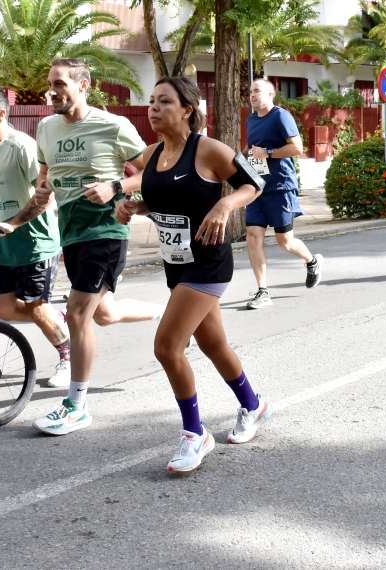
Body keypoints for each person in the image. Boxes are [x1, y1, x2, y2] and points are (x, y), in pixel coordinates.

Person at [116, 76, 270, 474]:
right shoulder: (152, 155)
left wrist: (224, 207)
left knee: (167, 346)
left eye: (164, 101)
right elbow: (159, 201)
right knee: (213, 344)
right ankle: (253, 404)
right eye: (151, 101)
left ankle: (194, 433)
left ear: (187, 108)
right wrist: (135, 208)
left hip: (207, 263)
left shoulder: (208, 151)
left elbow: (252, 185)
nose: (153, 108)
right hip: (177, 263)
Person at [2, 58, 160, 436]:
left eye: (60, 83)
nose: (52, 91)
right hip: (70, 232)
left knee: (76, 314)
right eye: (50, 84)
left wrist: (116, 187)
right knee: (104, 314)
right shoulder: (46, 127)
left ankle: (76, 404)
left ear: (84, 85)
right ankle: (169, 316)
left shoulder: (113, 125)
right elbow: (45, 182)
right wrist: (22, 215)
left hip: (106, 229)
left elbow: (149, 171)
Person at [0, 86, 70, 388]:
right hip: (4, 245)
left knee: (36, 306)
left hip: (36, 242)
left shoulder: (23, 147)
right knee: (3, 308)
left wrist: (17, 223)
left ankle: (67, 356)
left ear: (1, 114)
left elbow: (46, 194)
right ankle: (56, 317)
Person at [243, 78, 322, 310]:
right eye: (250, 92)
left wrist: (267, 152)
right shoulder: (252, 118)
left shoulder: (280, 116)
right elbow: (252, 149)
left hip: (281, 187)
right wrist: (240, 163)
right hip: (258, 188)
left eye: (257, 91)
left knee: (284, 241)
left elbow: (297, 148)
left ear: (270, 94)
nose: (252, 95)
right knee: (252, 235)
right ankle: (262, 291)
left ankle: (312, 260)